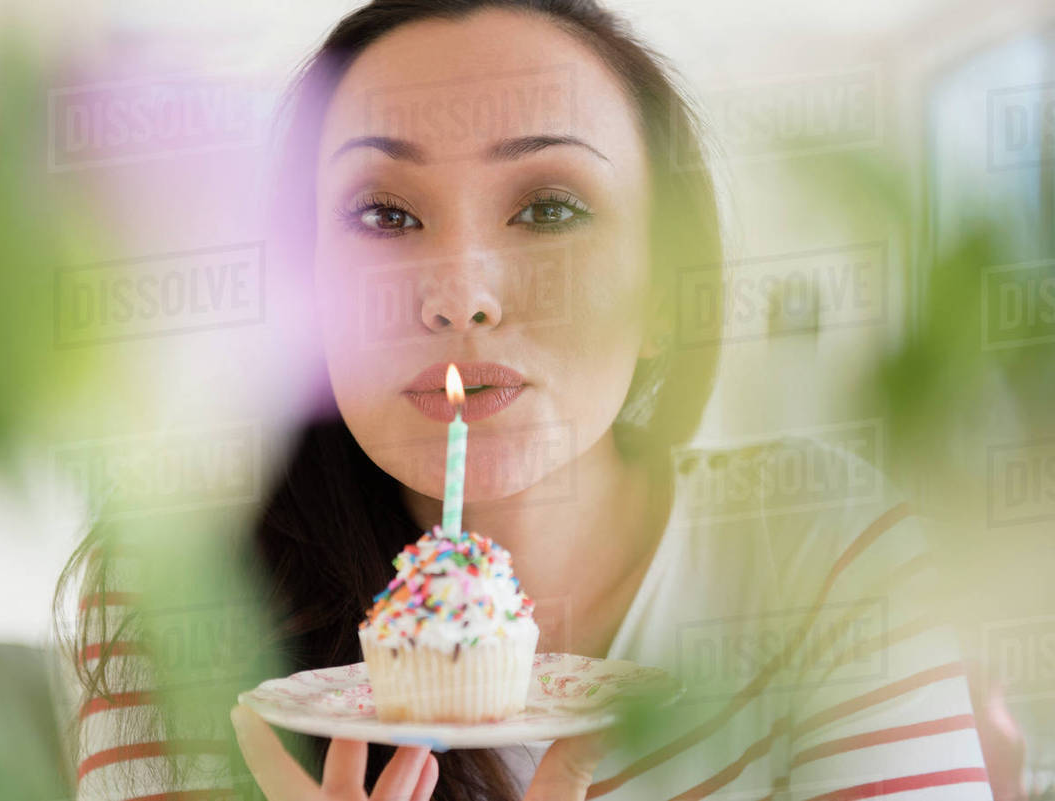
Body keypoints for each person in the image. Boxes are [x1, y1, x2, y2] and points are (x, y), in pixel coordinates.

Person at [59, 1, 996, 799]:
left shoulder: (820, 549)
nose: (460, 291)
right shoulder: (178, 589)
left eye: (549, 208)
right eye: (383, 214)